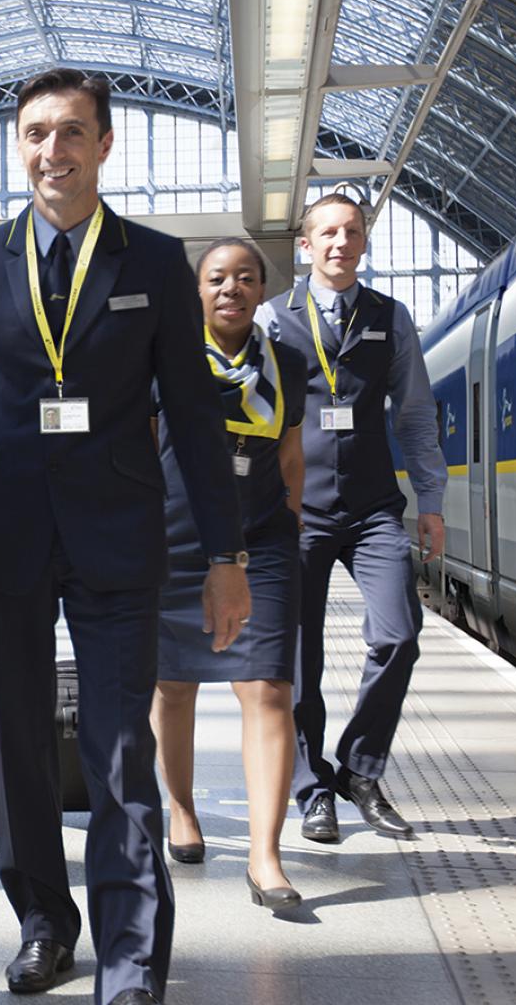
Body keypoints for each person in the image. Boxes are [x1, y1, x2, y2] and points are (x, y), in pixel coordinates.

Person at [0, 68, 252, 1005]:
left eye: (72, 133)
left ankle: (132, 957)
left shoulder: (153, 263)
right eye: (36, 133)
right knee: (19, 741)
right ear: (17, 146)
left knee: (120, 751)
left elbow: (195, 416)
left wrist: (226, 559)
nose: (53, 151)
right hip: (2, 536)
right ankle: (43, 922)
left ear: (105, 146)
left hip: (118, 536)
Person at [257, 192, 446, 845]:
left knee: (398, 633)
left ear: (364, 242)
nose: (341, 242)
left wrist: (432, 503)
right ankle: (313, 790)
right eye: (327, 233)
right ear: (305, 246)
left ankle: (360, 769)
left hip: (372, 511)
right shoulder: (272, 319)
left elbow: (416, 416)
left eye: (352, 232)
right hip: (297, 513)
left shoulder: (390, 319)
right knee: (299, 659)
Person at [149, 239, 306, 913]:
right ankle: (181, 811)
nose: (232, 289)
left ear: (261, 290)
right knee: (173, 686)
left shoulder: (289, 365)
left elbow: (292, 457)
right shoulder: (165, 362)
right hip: (171, 543)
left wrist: (287, 530)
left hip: (260, 543)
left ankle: (265, 854)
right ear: (198, 290)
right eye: (218, 278)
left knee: (268, 689)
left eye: (246, 278)